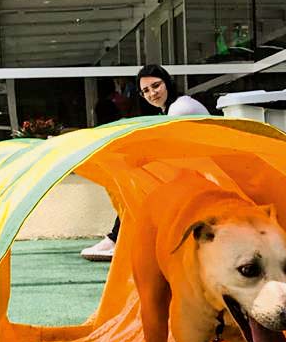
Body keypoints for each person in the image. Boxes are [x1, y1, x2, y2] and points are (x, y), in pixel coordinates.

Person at [82, 64, 210, 261]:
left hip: (205, 175)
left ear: (168, 83)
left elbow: (165, 150)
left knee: (138, 185)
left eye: (156, 86)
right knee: (135, 183)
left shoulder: (181, 107)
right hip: (193, 172)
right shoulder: (168, 109)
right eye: (146, 91)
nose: (152, 93)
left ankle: (118, 239)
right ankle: (121, 238)